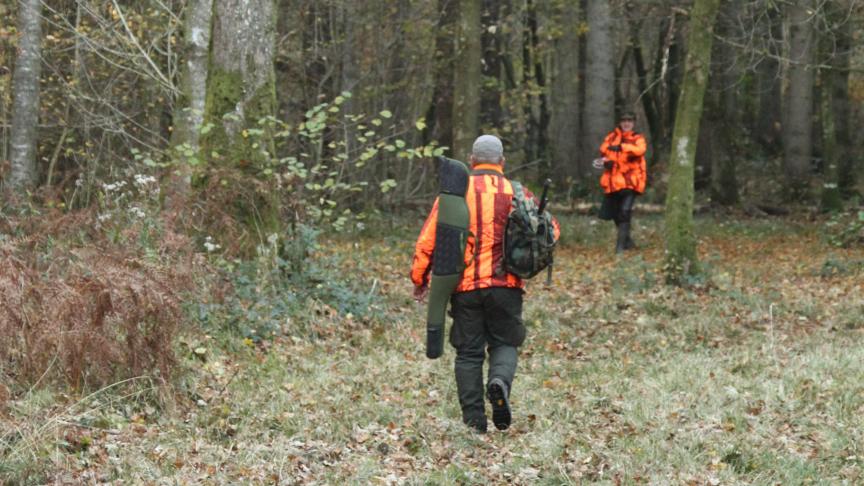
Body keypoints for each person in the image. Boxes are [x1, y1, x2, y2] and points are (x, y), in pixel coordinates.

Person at [410, 135, 560, 433]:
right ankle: (499, 382)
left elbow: (428, 241)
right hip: (507, 285)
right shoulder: (518, 192)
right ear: (502, 161)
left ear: (471, 160)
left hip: (464, 287)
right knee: (505, 342)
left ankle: (475, 423)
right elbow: (551, 230)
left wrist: (420, 278)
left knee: (468, 354)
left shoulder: (454, 194)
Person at [597, 112, 647, 253]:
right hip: (613, 182)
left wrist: (622, 147)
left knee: (624, 212)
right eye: (624, 120)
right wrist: (607, 162)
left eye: (629, 120)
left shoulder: (638, 138)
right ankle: (628, 242)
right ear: (620, 122)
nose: (626, 123)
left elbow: (640, 150)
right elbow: (603, 151)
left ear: (633, 123)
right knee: (614, 214)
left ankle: (619, 248)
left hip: (631, 182)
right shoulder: (611, 137)